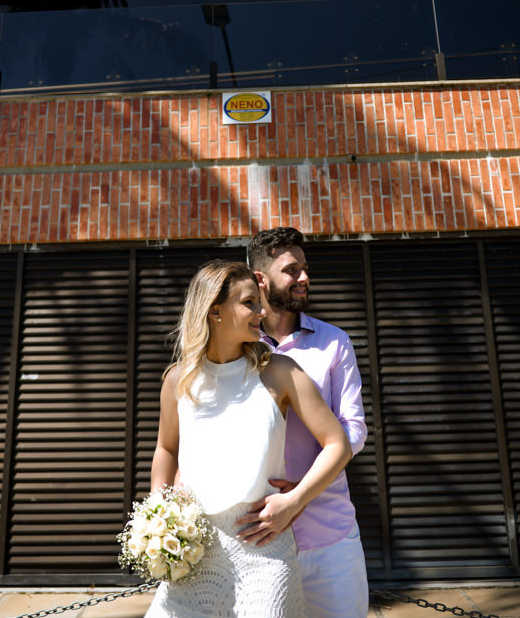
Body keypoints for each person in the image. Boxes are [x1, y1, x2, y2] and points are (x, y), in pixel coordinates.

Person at [146, 259, 352, 618]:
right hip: (194, 554)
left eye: (259, 301)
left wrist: (294, 501)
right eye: (249, 303)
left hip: (265, 551)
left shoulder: (280, 371)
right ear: (215, 311)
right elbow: (166, 448)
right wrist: (157, 512)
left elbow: (339, 444)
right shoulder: (178, 380)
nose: (262, 311)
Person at [238, 227, 369, 618]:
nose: (304, 278)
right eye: (291, 270)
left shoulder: (335, 342)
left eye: (305, 268)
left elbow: (353, 429)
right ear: (261, 279)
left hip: (329, 534)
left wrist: (302, 492)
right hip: (255, 535)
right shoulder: (236, 347)